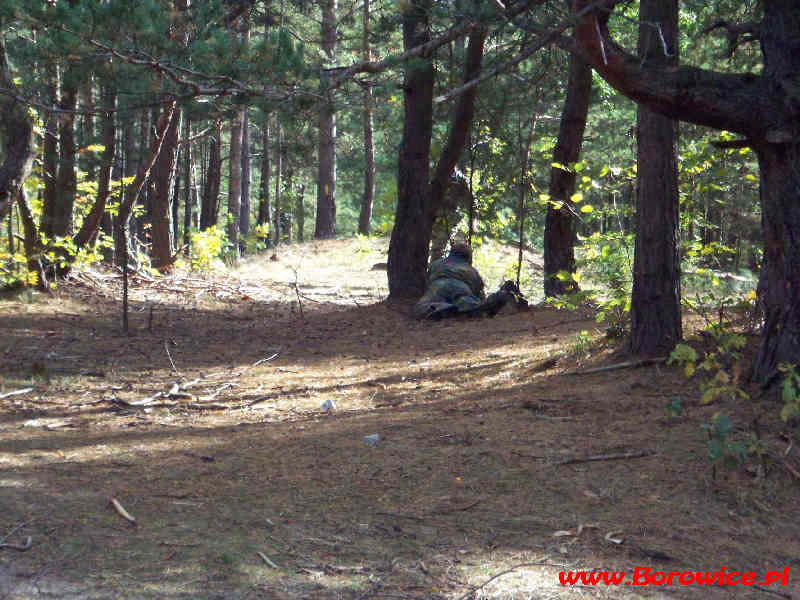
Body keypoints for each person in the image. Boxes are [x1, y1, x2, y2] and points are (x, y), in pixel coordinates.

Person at [413, 241, 486, 320]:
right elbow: (478, 291)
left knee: (422, 307)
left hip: (438, 286)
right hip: (461, 287)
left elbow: (427, 282)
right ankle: (465, 308)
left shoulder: (436, 264)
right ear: (468, 256)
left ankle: (443, 307)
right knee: (467, 301)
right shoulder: (472, 271)